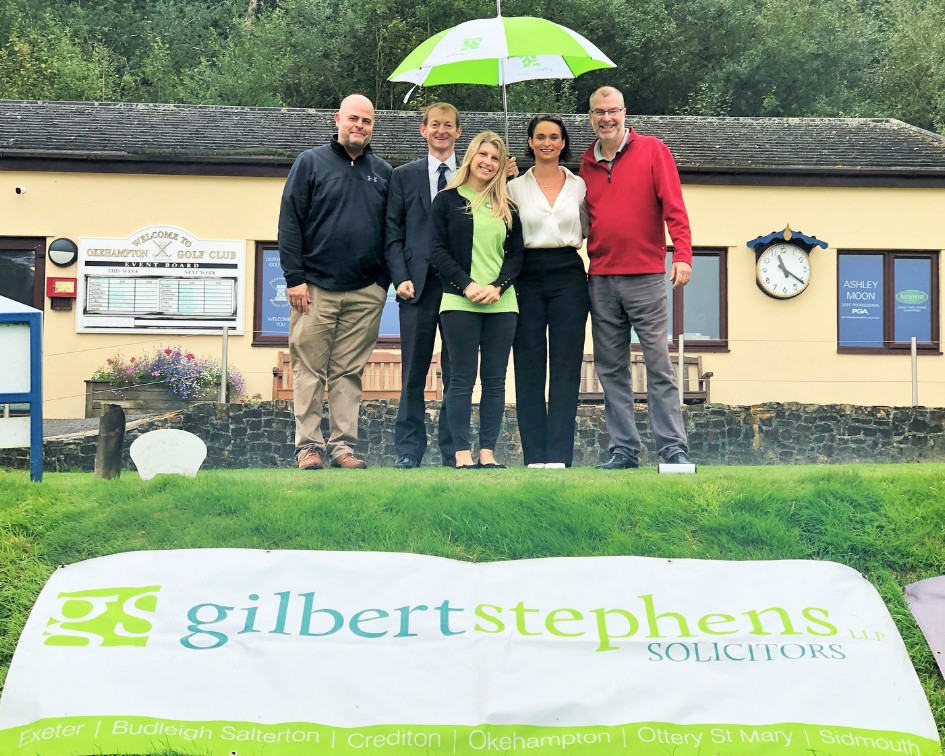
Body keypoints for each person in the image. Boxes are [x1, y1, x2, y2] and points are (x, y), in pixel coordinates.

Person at [579, 86, 693, 469]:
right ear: (590, 117)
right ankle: (625, 451)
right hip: (601, 278)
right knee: (610, 371)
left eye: (612, 111)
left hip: (645, 276)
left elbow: (674, 207)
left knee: (658, 365)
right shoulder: (585, 164)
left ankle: (673, 449)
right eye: (599, 112)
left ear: (625, 113)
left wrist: (683, 256)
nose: (606, 118)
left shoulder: (653, 150)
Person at [278, 93, 392, 471]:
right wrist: (295, 278)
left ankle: (343, 448)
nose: (359, 126)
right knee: (309, 371)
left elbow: (393, 231)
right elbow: (290, 222)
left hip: (365, 292)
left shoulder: (384, 172)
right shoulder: (310, 163)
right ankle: (308, 448)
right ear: (337, 119)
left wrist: (382, 283)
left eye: (367, 121)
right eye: (353, 118)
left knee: (348, 374)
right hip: (314, 290)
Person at [430, 131, 524, 469]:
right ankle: (461, 454)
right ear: (471, 157)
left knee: (495, 381)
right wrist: (467, 285)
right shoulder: (447, 200)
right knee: (461, 380)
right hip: (459, 303)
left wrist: (498, 286)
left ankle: (487, 453)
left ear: (501, 166)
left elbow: (516, 257)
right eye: (482, 154)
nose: (488, 162)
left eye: (495, 158)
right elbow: (437, 251)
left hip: (502, 304)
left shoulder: (508, 206)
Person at [507, 115, 590, 469]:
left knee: (566, 365)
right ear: (529, 142)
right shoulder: (513, 187)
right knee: (528, 364)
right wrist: (502, 178)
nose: (547, 142)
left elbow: (588, 228)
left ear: (562, 143)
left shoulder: (580, 186)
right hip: (525, 274)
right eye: (540, 136)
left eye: (554, 137)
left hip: (569, 274)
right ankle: (534, 456)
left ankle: (558, 456)